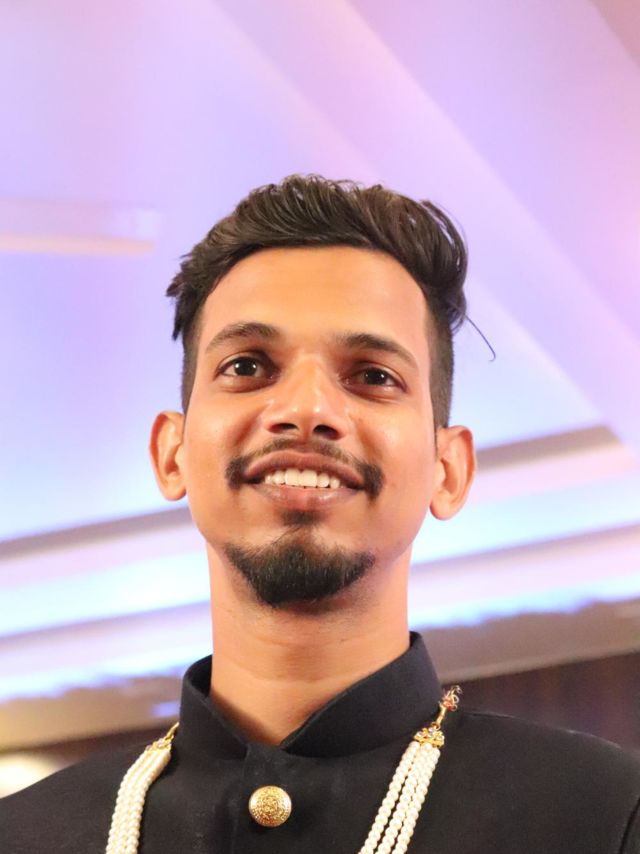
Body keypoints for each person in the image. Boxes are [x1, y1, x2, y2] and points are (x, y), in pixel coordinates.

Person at [2, 175, 639, 853]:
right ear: (172, 454)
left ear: (448, 469)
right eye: (248, 366)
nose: (306, 410)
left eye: (372, 375)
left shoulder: (604, 815)